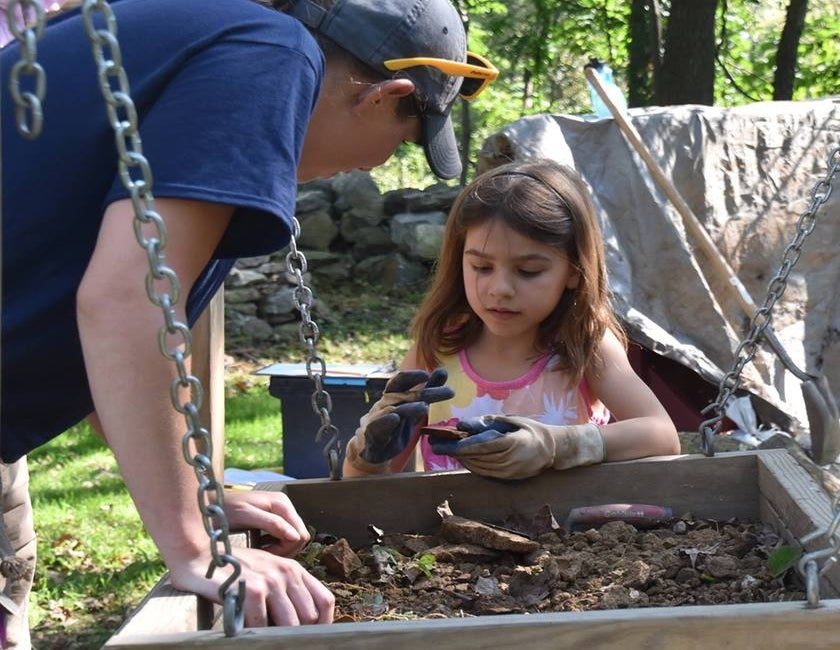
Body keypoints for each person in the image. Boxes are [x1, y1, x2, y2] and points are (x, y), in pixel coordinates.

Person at [1, 0, 498, 643]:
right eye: (403, 141)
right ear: (386, 95)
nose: (376, 166)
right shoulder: (274, 54)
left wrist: (200, 498)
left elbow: (102, 345)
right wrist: (194, 542)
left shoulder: (202, 38)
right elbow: (128, 300)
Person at [343, 159, 680, 480]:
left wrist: (556, 446)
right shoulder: (437, 348)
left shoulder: (584, 345)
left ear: (574, 271)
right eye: (482, 267)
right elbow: (370, 486)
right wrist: (367, 456)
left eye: (528, 271)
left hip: (565, 537)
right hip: (449, 536)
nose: (500, 289)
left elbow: (663, 436)